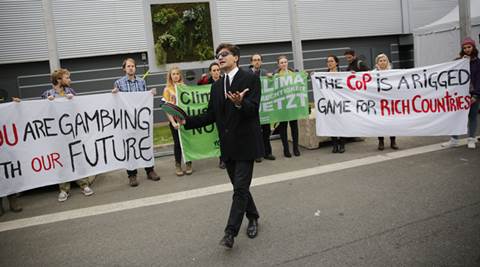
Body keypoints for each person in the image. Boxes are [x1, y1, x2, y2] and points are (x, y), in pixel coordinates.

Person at [179, 43, 263, 249]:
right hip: (228, 146)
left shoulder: (250, 78)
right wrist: (186, 121)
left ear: (236, 57)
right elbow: (210, 115)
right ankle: (253, 216)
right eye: (218, 55)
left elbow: (253, 109)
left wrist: (239, 103)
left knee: (240, 189)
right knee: (240, 188)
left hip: (246, 143)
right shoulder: (217, 86)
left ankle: (230, 233)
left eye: (224, 54)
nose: (220, 57)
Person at [42, 68, 95, 202]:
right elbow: (40, 113)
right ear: (59, 80)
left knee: (77, 158)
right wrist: (46, 103)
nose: (70, 80)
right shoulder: (47, 94)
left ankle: (84, 184)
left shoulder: (71, 92)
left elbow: (79, 109)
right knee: (62, 160)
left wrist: (74, 100)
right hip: (57, 135)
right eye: (67, 77)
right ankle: (64, 189)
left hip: (72, 132)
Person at [112, 58, 161, 186]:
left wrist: (150, 93)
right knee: (130, 147)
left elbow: (144, 98)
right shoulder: (118, 83)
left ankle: (149, 170)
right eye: (128, 66)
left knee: (144, 143)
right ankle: (132, 175)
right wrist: (114, 94)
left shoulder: (141, 81)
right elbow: (116, 102)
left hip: (141, 120)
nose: (131, 68)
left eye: (133, 66)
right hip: (128, 122)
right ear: (124, 68)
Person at [442, 37, 480, 149]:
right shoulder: (459, 61)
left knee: (472, 116)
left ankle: (471, 139)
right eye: (465, 48)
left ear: (473, 47)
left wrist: (476, 95)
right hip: (460, 95)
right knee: (456, 116)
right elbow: (449, 69)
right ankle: (454, 140)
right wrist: (461, 61)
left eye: (469, 47)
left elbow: (479, 80)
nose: (467, 49)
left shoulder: (478, 63)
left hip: (473, 94)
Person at [162, 66, 193, 176]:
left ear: (180, 75)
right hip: (174, 121)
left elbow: (189, 104)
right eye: (173, 74)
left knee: (187, 141)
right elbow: (166, 108)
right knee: (177, 143)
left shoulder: (184, 87)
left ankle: (189, 162)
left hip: (184, 120)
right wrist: (173, 122)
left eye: (177, 74)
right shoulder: (167, 89)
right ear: (170, 76)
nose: (175, 76)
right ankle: (178, 164)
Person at [197, 62, 226, 169]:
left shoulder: (224, 81)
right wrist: (201, 80)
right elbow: (196, 90)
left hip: (224, 112)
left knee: (224, 137)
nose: (216, 72)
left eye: (218, 70)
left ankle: (223, 159)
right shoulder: (207, 82)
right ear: (210, 72)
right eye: (214, 70)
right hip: (212, 112)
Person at [248, 53, 275, 162]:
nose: (257, 62)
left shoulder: (265, 73)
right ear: (251, 62)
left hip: (265, 108)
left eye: (259, 60)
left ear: (261, 62)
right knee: (255, 132)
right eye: (255, 60)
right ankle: (257, 154)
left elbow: (275, 81)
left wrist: (271, 78)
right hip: (254, 107)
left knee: (266, 131)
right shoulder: (247, 74)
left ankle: (267, 153)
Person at [0, 97, 23, 215]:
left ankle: (13, 201)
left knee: (9, 173)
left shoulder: (3, 98)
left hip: (6, 144)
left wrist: (15, 105)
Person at [274, 55, 300, 157]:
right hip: (282, 105)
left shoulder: (293, 74)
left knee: (294, 127)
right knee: (283, 128)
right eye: (281, 62)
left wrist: (304, 75)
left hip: (292, 104)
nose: (284, 64)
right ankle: (286, 149)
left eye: (285, 62)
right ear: (278, 65)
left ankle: (296, 148)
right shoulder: (276, 76)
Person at [374, 53, 399, 150]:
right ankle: (381, 141)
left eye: (384, 60)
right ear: (377, 63)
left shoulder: (393, 73)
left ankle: (393, 141)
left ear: (387, 62)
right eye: (380, 61)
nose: (383, 62)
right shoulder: (373, 73)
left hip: (390, 102)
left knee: (392, 122)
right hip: (378, 103)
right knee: (380, 123)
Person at [326, 55, 345, 153]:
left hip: (340, 102)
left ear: (336, 63)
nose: (329, 63)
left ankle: (342, 144)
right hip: (330, 103)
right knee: (332, 124)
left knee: (341, 123)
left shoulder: (342, 74)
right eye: (328, 61)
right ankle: (334, 145)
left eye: (331, 61)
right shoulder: (324, 75)